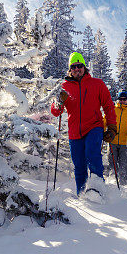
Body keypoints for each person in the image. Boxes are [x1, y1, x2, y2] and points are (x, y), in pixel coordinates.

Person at [51, 52, 117, 195]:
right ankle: (81, 194)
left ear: (84, 67)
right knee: (79, 166)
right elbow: (56, 112)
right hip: (75, 132)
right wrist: (59, 101)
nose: (77, 69)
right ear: (70, 69)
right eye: (73, 66)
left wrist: (112, 127)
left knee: (92, 154)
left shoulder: (97, 84)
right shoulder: (64, 87)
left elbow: (108, 106)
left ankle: (97, 190)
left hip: (94, 126)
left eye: (79, 66)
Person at [107, 90, 127, 186]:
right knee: (112, 163)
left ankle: (123, 184)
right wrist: (103, 131)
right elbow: (105, 121)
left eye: (124, 99)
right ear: (118, 99)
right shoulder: (112, 110)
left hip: (125, 142)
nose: (122, 101)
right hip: (112, 140)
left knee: (123, 164)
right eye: (120, 99)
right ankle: (113, 183)